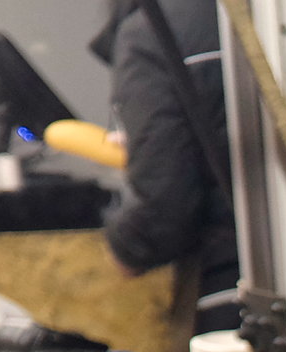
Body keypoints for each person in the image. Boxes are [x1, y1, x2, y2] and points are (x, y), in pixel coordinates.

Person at [92, 0, 239, 331]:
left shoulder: (153, 33)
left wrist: (130, 247)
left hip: (239, 282)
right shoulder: (283, 14)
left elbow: (165, 196)